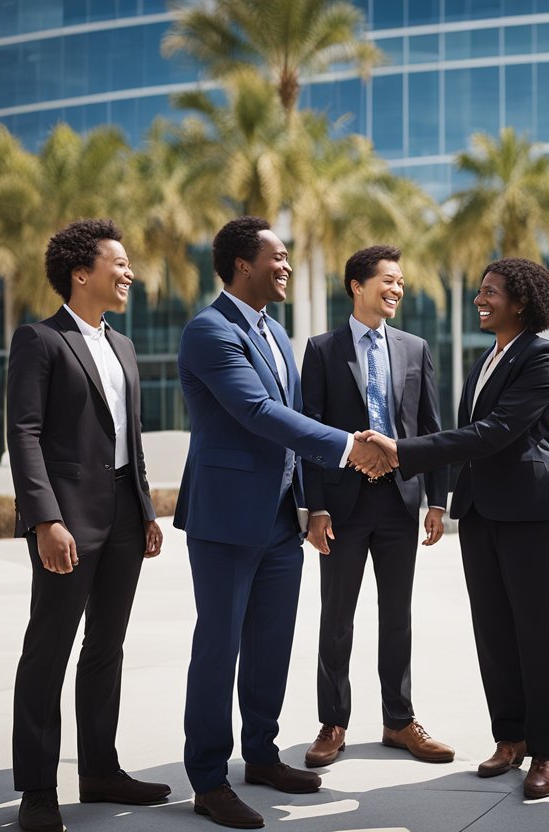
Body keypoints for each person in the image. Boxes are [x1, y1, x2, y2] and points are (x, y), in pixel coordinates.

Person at [175, 217, 391, 829]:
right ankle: (209, 780)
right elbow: (258, 411)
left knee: (271, 644)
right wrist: (352, 446)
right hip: (225, 518)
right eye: (279, 255)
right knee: (220, 648)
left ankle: (262, 756)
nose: (288, 265)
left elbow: (290, 423)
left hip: (278, 519)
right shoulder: (208, 331)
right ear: (244, 263)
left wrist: (312, 503)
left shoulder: (273, 330)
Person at [361, 257, 549, 799]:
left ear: (520, 302)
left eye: (491, 292)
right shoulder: (486, 359)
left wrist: (404, 452)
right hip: (480, 514)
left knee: (537, 635)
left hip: (529, 512)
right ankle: (510, 737)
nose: (481, 300)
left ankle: (545, 751)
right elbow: (472, 434)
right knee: (494, 632)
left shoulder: (541, 355)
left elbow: (494, 433)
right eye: (480, 291)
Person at [7, 218, 169, 832]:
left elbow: (131, 436)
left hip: (125, 519)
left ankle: (100, 769)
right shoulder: (40, 340)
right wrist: (44, 519)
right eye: (118, 263)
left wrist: (147, 509)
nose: (129, 273)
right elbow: (23, 433)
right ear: (82, 273)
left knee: (106, 649)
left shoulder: (123, 346)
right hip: (66, 524)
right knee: (47, 652)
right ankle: (36, 790)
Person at [300, 245, 454, 768]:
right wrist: (314, 508)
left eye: (401, 283)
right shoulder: (322, 349)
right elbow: (310, 431)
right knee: (336, 617)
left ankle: (399, 720)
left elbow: (429, 428)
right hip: (340, 507)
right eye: (388, 280)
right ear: (357, 286)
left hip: (400, 503)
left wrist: (438, 500)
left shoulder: (414, 347)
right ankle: (333, 723)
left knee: (398, 615)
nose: (396, 290)